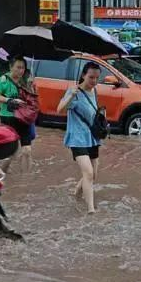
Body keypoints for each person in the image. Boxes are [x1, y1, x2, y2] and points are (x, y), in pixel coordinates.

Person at [57, 62, 102, 214]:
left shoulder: (94, 91)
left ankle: (76, 194)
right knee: (88, 173)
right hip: (77, 137)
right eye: (91, 77)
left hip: (92, 136)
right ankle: (91, 209)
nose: (94, 81)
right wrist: (71, 95)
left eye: (97, 78)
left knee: (93, 174)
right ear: (83, 75)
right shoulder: (73, 91)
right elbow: (60, 109)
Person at [0, 55, 32, 173]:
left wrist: (31, 87)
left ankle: (26, 178)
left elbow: (32, 99)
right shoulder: (3, 80)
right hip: (8, 117)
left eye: (23, 68)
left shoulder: (26, 80)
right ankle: (0, 171)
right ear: (11, 67)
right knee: (11, 150)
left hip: (24, 118)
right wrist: (10, 100)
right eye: (18, 67)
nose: (21, 70)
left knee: (27, 150)